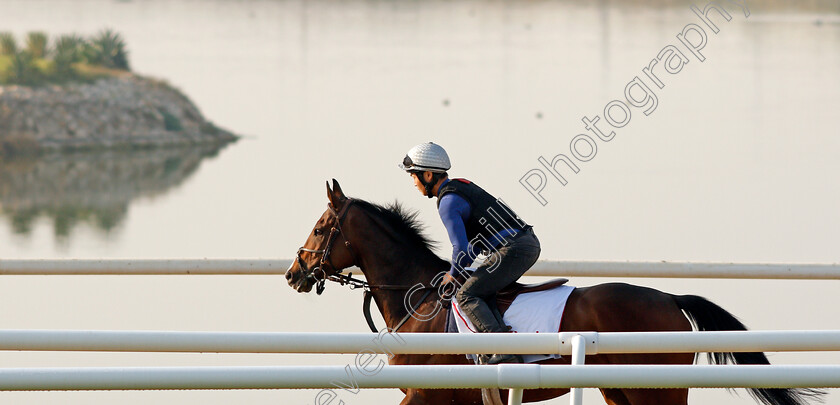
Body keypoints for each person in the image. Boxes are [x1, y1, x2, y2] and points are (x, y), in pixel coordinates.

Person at [398, 142, 541, 364]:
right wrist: (458, 270)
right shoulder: (461, 188)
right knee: (481, 289)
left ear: (427, 175)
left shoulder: (447, 202)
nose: (413, 183)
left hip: (514, 249)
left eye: (413, 176)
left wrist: (452, 274)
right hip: (524, 243)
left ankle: (503, 350)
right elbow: (475, 244)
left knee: (466, 295)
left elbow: (461, 248)